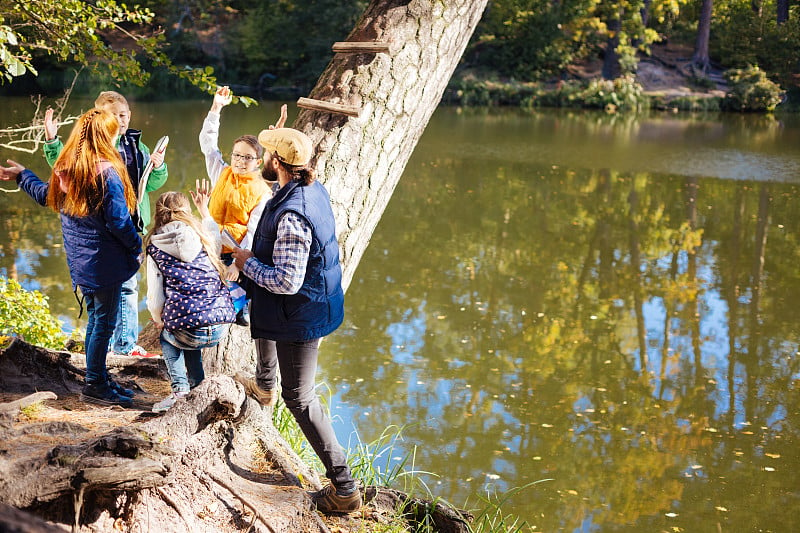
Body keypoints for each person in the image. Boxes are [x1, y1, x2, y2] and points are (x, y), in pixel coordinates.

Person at [231, 127, 361, 514]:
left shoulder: (293, 213)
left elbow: (286, 282)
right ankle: (263, 384)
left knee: (300, 398)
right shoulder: (306, 191)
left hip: (300, 312)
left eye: (265, 154)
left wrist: (246, 262)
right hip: (303, 305)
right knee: (276, 360)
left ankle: (344, 489)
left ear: (276, 163)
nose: (260, 159)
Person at [1, 108, 141, 407]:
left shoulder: (68, 168)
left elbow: (42, 195)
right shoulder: (106, 173)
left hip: (82, 262)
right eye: (115, 134)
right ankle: (95, 385)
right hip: (105, 263)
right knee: (104, 324)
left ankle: (99, 378)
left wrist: (23, 175)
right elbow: (119, 222)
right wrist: (136, 245)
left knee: (97, 321)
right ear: (107, 137)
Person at [43, 91, 169, 358]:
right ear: (98, 118)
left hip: (131, 223)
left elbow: (149, 185)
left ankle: (118, 344)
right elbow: (61, 171)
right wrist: (52, 141)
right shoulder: (90, 149)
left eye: (123, 115)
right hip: (104, 228)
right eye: (114, 116)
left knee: (127, 287)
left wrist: (157, 167)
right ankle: (117, 346)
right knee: (116, 288)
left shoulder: (138, 147)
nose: (120, 121)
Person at [199, 86, 285, 325]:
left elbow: (254, 230)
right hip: (211, 247)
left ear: (258, 162)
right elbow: (208, 144)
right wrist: (216, 107)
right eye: (236, 155)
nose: (239, 161)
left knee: (234, 297)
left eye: (247, 157)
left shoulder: (261, 190)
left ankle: (241, 304)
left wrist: (240, 264)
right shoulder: (222, 172)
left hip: (236, 253)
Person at [145, 186, 235, 413]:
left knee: (168, 337)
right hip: (219, 326)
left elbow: (155, 297)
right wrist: (205, 212)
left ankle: (180, 392)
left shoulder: (155, 247)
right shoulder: (202, 237)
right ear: (186, 212)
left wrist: (159, 319)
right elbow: (216, 238)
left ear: (158, 215)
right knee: (186, 329)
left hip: (190, 329)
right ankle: (198, 387)